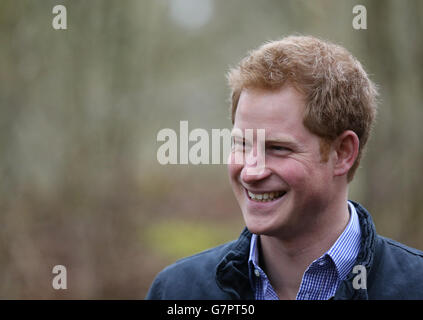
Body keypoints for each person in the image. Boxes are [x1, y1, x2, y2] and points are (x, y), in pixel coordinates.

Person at [146, 35, 423, 300]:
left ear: (342, 153)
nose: (251, 172)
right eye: (242, 144)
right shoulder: (178, 291)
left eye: (277, 148)